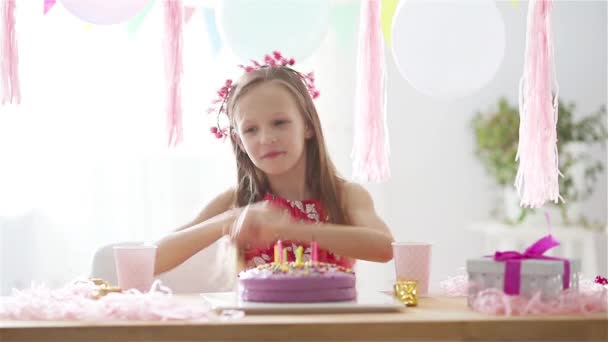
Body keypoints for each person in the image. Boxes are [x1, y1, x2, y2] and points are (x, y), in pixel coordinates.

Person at [154, 51, 393, 276]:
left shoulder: (346, 195)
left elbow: (386, 248)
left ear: (307, 125)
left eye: (279, 123)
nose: (266, 138)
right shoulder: (235, 201)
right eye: (251, 129)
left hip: (331, 319)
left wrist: (291, 230)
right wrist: (230, 220)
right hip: (256, 320)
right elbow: (152, 259)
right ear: (238, 139)